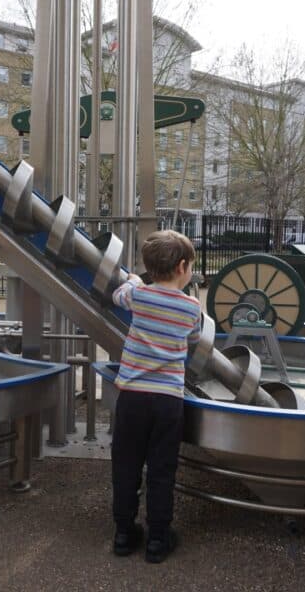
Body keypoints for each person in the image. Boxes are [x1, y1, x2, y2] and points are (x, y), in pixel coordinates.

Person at [110, 230, 202, 563]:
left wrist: (134, 280)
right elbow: (194, 335)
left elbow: (119, 295)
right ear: (182, 267)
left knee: (126, 466)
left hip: (132, 397)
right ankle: (158, 540)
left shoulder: (139, 295)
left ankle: (123, 533)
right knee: (162, 469)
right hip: (167, 401)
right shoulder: (191, 307)